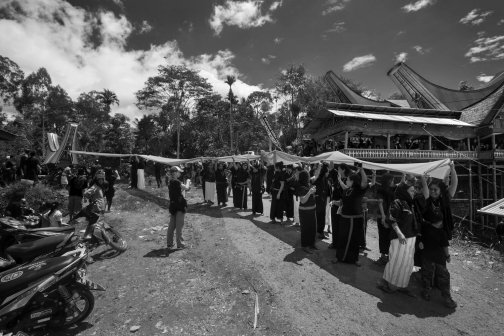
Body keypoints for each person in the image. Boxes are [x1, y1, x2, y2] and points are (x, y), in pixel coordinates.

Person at [377, 176, 428, 296]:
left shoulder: (413, 202)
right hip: (399, 239)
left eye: (414, 191)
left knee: (408, 263)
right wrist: (399, 233)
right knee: (396, 262)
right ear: (404, 191)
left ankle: (403, 285)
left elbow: (426, 195)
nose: (413, 192)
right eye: (411, 190)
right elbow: (392, 219)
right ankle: (390, 285)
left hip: (411, 238)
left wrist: (424, 180)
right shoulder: (397, 203)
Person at [419, 205, 457, 308]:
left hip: (427, 257)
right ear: (440, 221)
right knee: (444, 278)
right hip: (439, 259)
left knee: (427, 275)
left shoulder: (425, 227)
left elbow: (421, 233)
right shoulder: (442, 233)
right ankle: (447, 298)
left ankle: (426, 293)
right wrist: (448, 256)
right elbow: (445, 247)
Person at [332, 163, 369, 266]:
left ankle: (355, 259)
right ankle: (339, 256)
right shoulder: (346, 191)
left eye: (348, 180)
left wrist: (361, 170)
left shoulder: (359, 190)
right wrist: (335, 202)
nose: (346, 181)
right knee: (342, 238)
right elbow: (342, 202)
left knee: (354, 239)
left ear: (353, 181)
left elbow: (365, 182)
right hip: (344, 219)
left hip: (356, 219)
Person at [424, 162, 458, 241]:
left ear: (441, 191)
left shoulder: (446, 198)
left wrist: (452, 169)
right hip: (428, 230)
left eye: (435, 189)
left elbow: (454, 184)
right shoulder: (426, 198)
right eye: (430, 189)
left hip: (443, 229)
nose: (432, 191)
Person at [167, 166, 191, 250]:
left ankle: (169, 243)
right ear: (175, 173)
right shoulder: (176, 181)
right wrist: (188, 181)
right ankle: (180, 244)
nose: (180, 173)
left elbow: (176, 191)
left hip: (173, 205)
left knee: (171, 225)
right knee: (179, 226)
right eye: (179, 172)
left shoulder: (170, 181)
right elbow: (186, 188)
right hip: (179, 205)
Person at [375, 173, 396, 266]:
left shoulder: (392, 190)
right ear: (387, 181)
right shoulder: (381, 190)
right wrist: (383, 217)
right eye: (392, 180)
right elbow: (380, 204)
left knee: (390, 237)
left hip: (390, 217)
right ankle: (383, 256)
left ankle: (388, 256)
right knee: (383, 236)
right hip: (383, 217)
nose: (393, 182)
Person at [297, 170, 318, 253]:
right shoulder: (301, 187)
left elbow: (316, 175)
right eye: (308, 176)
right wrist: (310, 192)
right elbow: (303, 201)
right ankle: (305, 246)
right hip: (305, 211)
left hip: (312, 209)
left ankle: (312, 243)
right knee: (306, 229)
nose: (309, 176)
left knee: (313, 227)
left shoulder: (308, 184)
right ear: (305, 178)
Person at [312, 163, 331, 239]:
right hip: (318, 201)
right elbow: (317, 175)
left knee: (322, 218)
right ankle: (316, 232)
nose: (328, 173)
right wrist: (319, 165)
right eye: (327, 172)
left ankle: (320, 232)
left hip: (323, 202)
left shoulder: (327, 179)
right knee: (317, 217)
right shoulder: (319, 179)